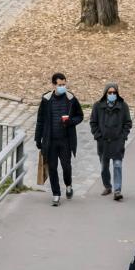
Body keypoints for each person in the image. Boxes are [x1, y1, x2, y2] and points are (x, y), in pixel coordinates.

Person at [34, 72, 84, 207]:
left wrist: (70, 122)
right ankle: (56, 194)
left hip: (66, 140)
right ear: (54, 85)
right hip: (50, 140)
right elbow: (40, 120)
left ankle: (68, 185)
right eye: (60, 84)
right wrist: (38, 139)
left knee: (66, 166)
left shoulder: (71, 99)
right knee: (52, 168)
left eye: (64, 84)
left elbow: (80, 116)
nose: (63, 87)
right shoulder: (46, 100)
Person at [90, 82, 131, 201]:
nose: (112, 94)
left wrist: (123, 137)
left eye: (114, 93)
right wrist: (98, 136)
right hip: (103, 143)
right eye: (110, 92)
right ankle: (107, 186)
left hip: (117, 142)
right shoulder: (97, 106)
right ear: (105, 93)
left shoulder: (123, 106)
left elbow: (127, 123)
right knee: (104, 167)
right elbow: (93, 122)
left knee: (117, 165)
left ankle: (117, 190)